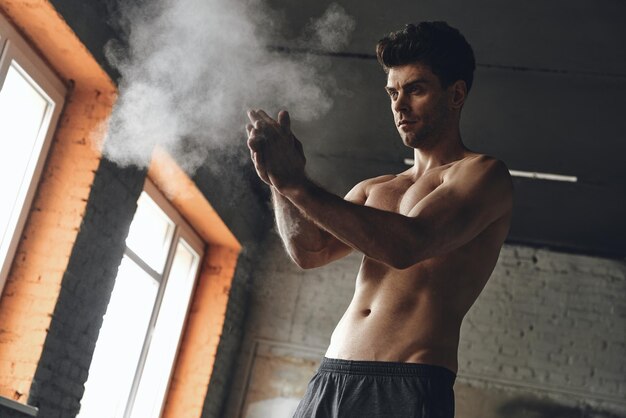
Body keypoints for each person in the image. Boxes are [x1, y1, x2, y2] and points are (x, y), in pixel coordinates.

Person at [245, 21, 513, 418]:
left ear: (455, 94)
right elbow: (309, 251)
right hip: (332, 376)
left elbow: (408, 245)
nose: (399, 106)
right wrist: (278, 182)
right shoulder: (376, 188)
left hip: (407, 384)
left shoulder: (483, 175)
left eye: (415, 90)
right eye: (393, 92)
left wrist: (298, 185)